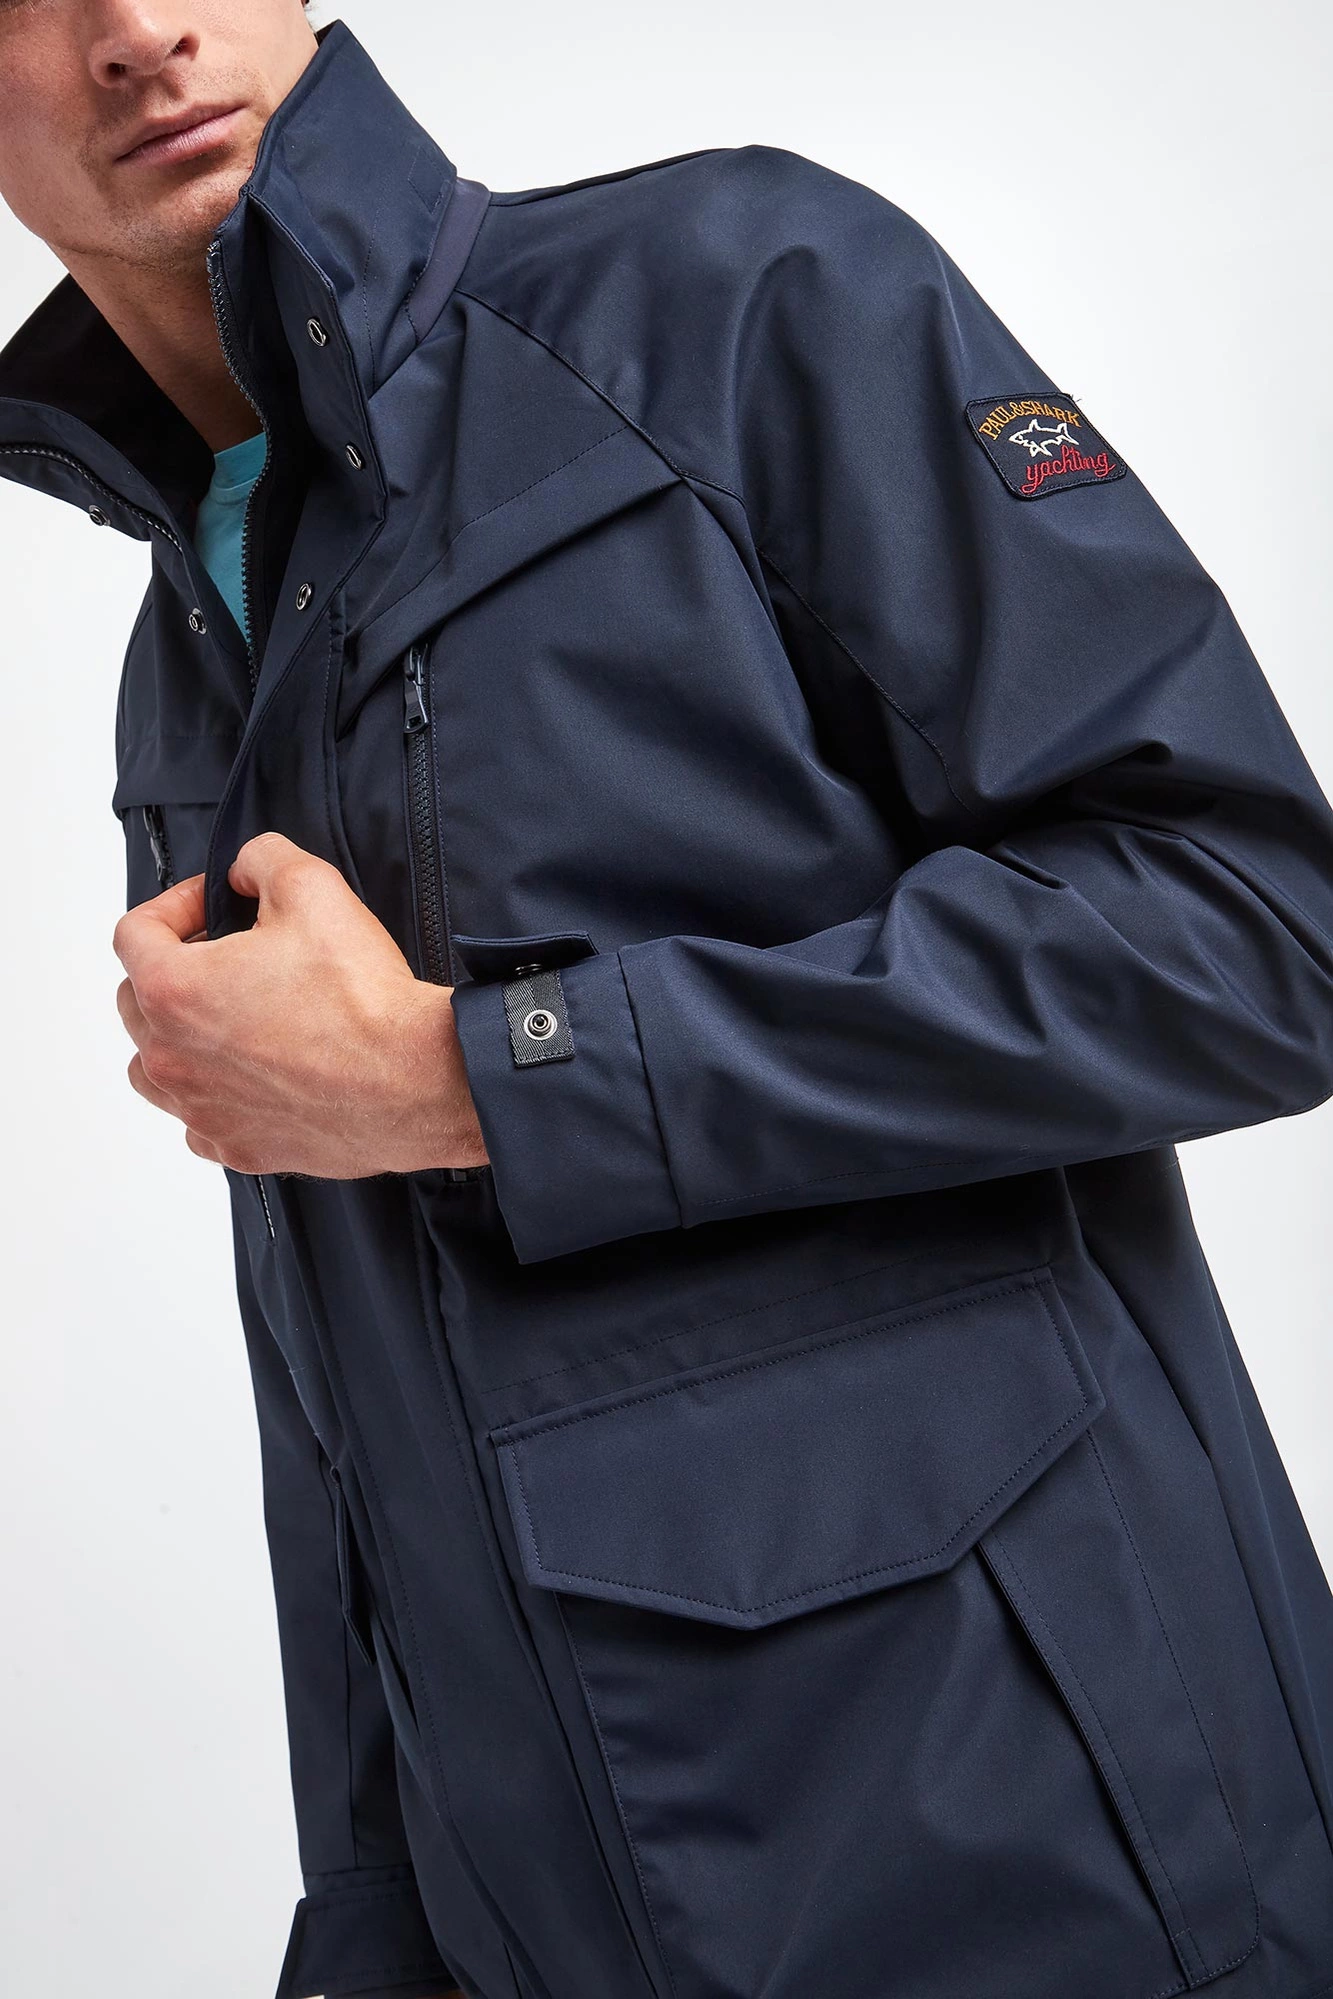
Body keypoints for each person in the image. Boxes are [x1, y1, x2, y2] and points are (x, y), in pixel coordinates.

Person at [4, 5, 1333, 1997]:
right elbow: (348, 1390)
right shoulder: (187, 645)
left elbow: (1252, 928)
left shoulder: (732, 296)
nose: (137, 31)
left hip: (1062, 1888)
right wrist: (374, 1921)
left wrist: (480, 1076)